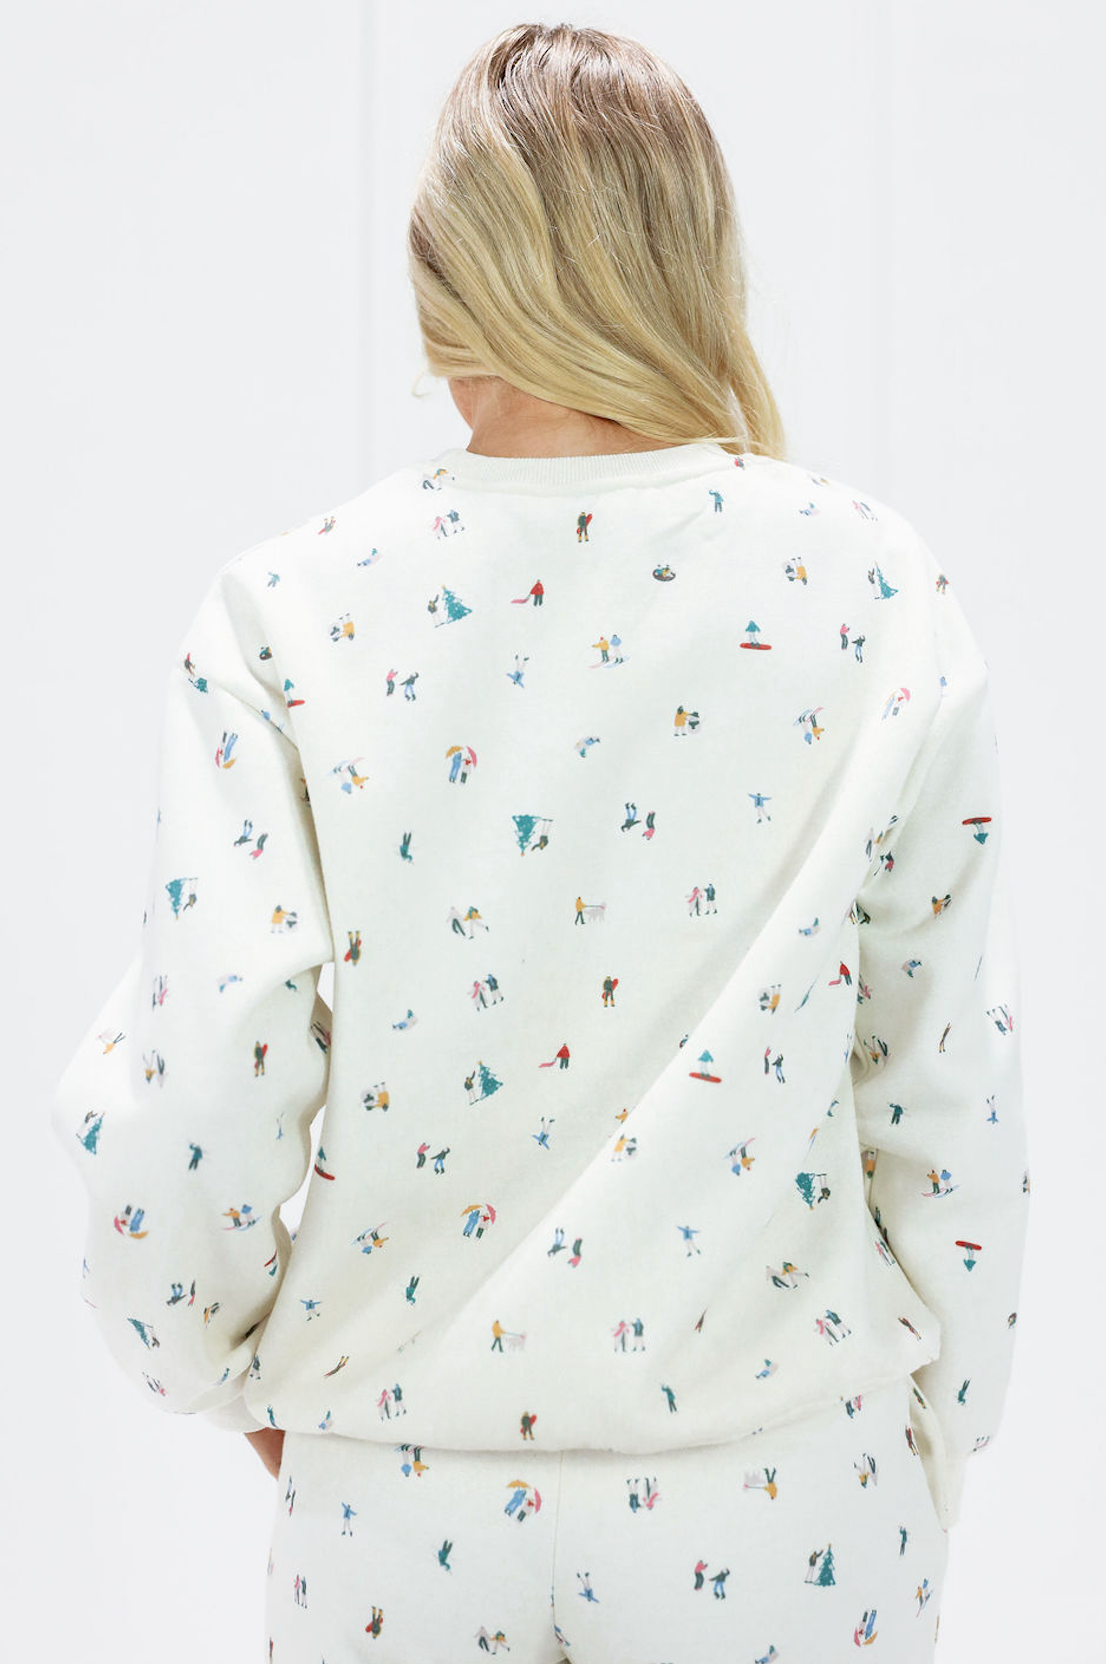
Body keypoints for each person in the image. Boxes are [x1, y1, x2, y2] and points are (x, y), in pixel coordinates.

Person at [50, 20, 1029, 1664]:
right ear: (694, 261)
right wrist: (938, 1430)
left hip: (397, 1498)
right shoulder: (869, 587)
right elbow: (945, 1086)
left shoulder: (292, 610)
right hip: (784, 1493)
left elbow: (202, 1078)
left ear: (440, 280)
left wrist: (223, 1373)